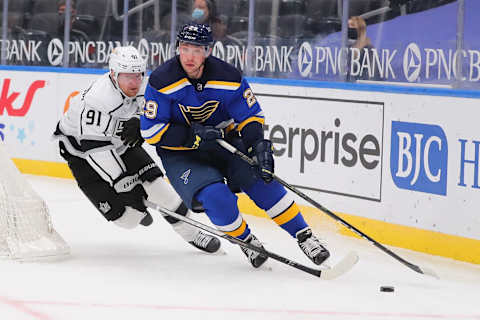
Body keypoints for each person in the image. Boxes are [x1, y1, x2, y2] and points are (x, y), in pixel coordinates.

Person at [140, 23, 330, 269]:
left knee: (262, 180)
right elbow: (151, 130)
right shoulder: (162, 80)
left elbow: (249, 116)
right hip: (182, 154)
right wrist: (191, 136)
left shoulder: (228, 76)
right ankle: (246, 240)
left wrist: (258, 146)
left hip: (224, 143)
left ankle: (305, 236)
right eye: (185, 48)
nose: (190, 56)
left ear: (208, 51)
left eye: (197, 50)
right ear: (177, 48)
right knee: (215, 197)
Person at [53, 46, 221, 254]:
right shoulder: (97, 100)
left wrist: (140, 122)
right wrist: (122, 182)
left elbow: (157, 114)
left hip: (119, 143)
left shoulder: (144, 86)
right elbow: (94, 149)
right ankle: (136, 213)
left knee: (161, 189)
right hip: (82, 155)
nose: (135, 82)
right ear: (114, 75)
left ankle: (194, 234)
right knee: (128, 219)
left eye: (138, 75)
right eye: (128, 77)